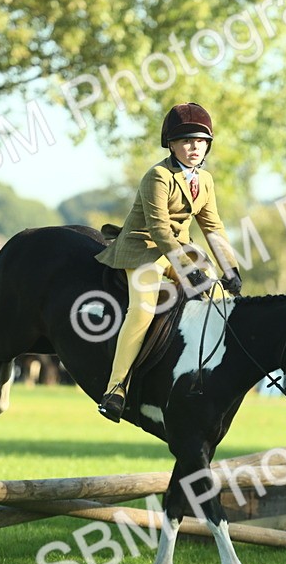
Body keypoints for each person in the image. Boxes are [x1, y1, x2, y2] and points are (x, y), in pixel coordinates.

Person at [94, 102, 241, 421]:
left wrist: (230, 268)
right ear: (171, 145)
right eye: (187, 141)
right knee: (142, 311)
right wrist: (188, 269)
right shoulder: (158, 176)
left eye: (200, 141)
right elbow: (159, 229)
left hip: (180, 249)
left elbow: (212, 226)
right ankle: (115, 389)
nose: (194, 147)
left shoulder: (206, 180)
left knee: (219, 297)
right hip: (143, 248)